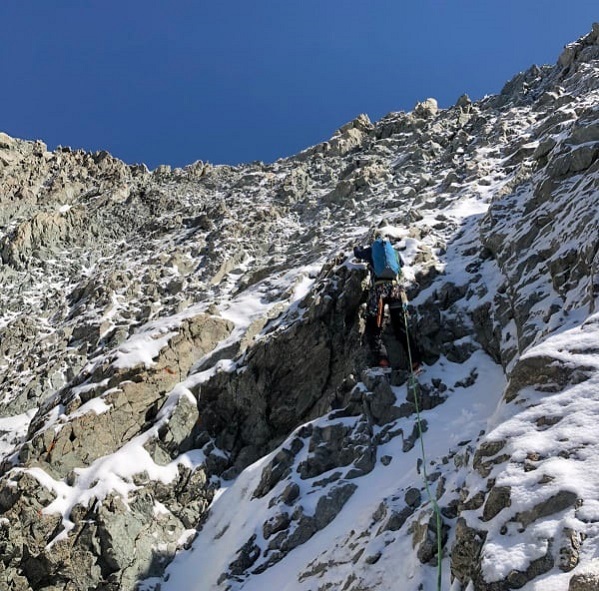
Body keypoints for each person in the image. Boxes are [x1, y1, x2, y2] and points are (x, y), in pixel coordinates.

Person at [354, 236, 423, 372]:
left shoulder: (371, 251)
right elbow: (401, 265)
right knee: (400, 326)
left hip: (379, 291)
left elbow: (357, 253)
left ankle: (382, 359)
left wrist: (357, 247)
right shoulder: (394, 253)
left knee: (374, 326)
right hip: (395, 290)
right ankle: (414, 360)